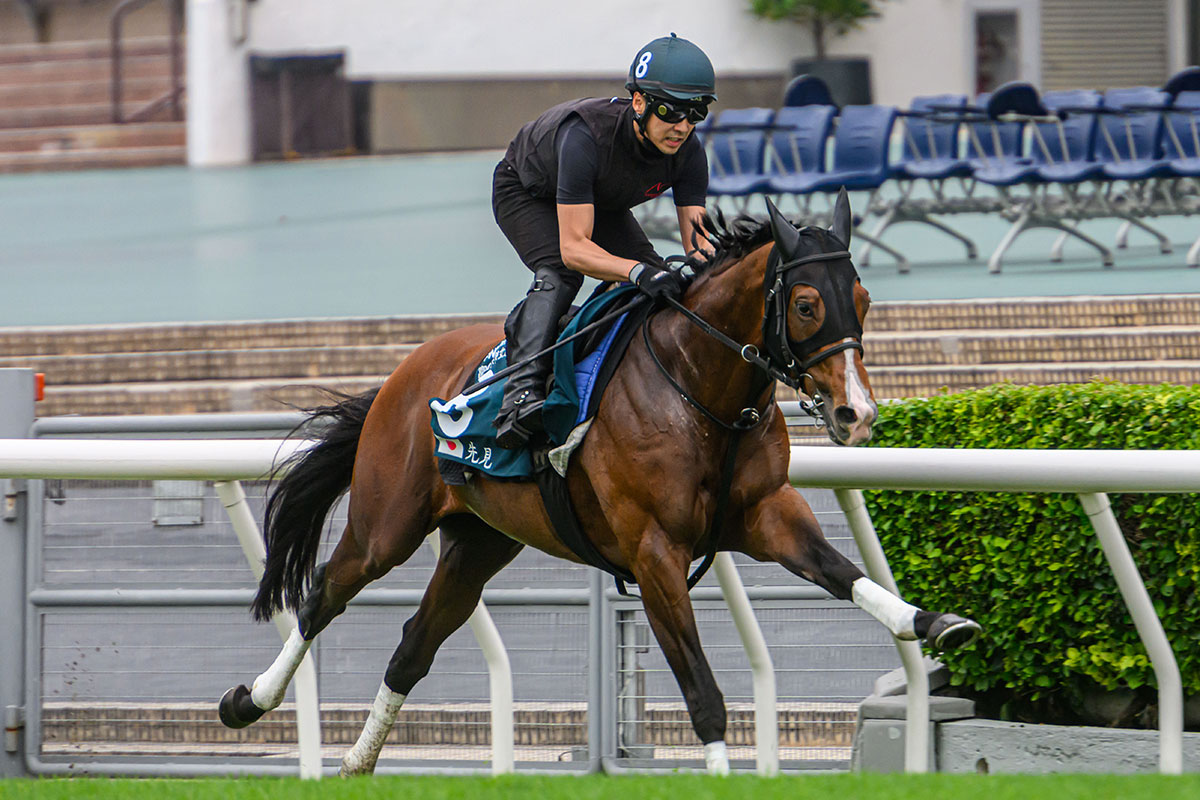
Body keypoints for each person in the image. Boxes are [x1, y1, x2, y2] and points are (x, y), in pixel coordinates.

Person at [490, 33, 717, 449]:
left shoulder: (688, 152)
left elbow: (699, 247)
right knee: (562, 274)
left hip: (601, 201)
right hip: (527, 192)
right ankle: (519, 394)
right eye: (669, 110)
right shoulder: (585, 137)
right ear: (639, 103)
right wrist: (634, 270)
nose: (682, 126)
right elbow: (574, 248)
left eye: (695, 113)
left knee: (664, 284)